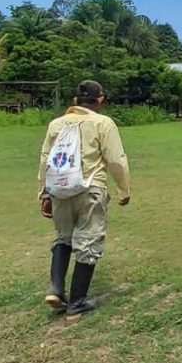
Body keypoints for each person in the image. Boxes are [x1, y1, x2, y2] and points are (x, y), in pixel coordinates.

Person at [38, 80, 131, 315]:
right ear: (100, 100)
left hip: (60, 189)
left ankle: (56, 289)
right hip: (91, 188)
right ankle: (77, 301)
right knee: (88, 241)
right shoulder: (103, 123)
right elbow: (115, 159)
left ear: (75, 101)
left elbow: (46, 160)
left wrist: (45, 193)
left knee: (63, 237)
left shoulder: (56, 124)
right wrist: (124, 190)